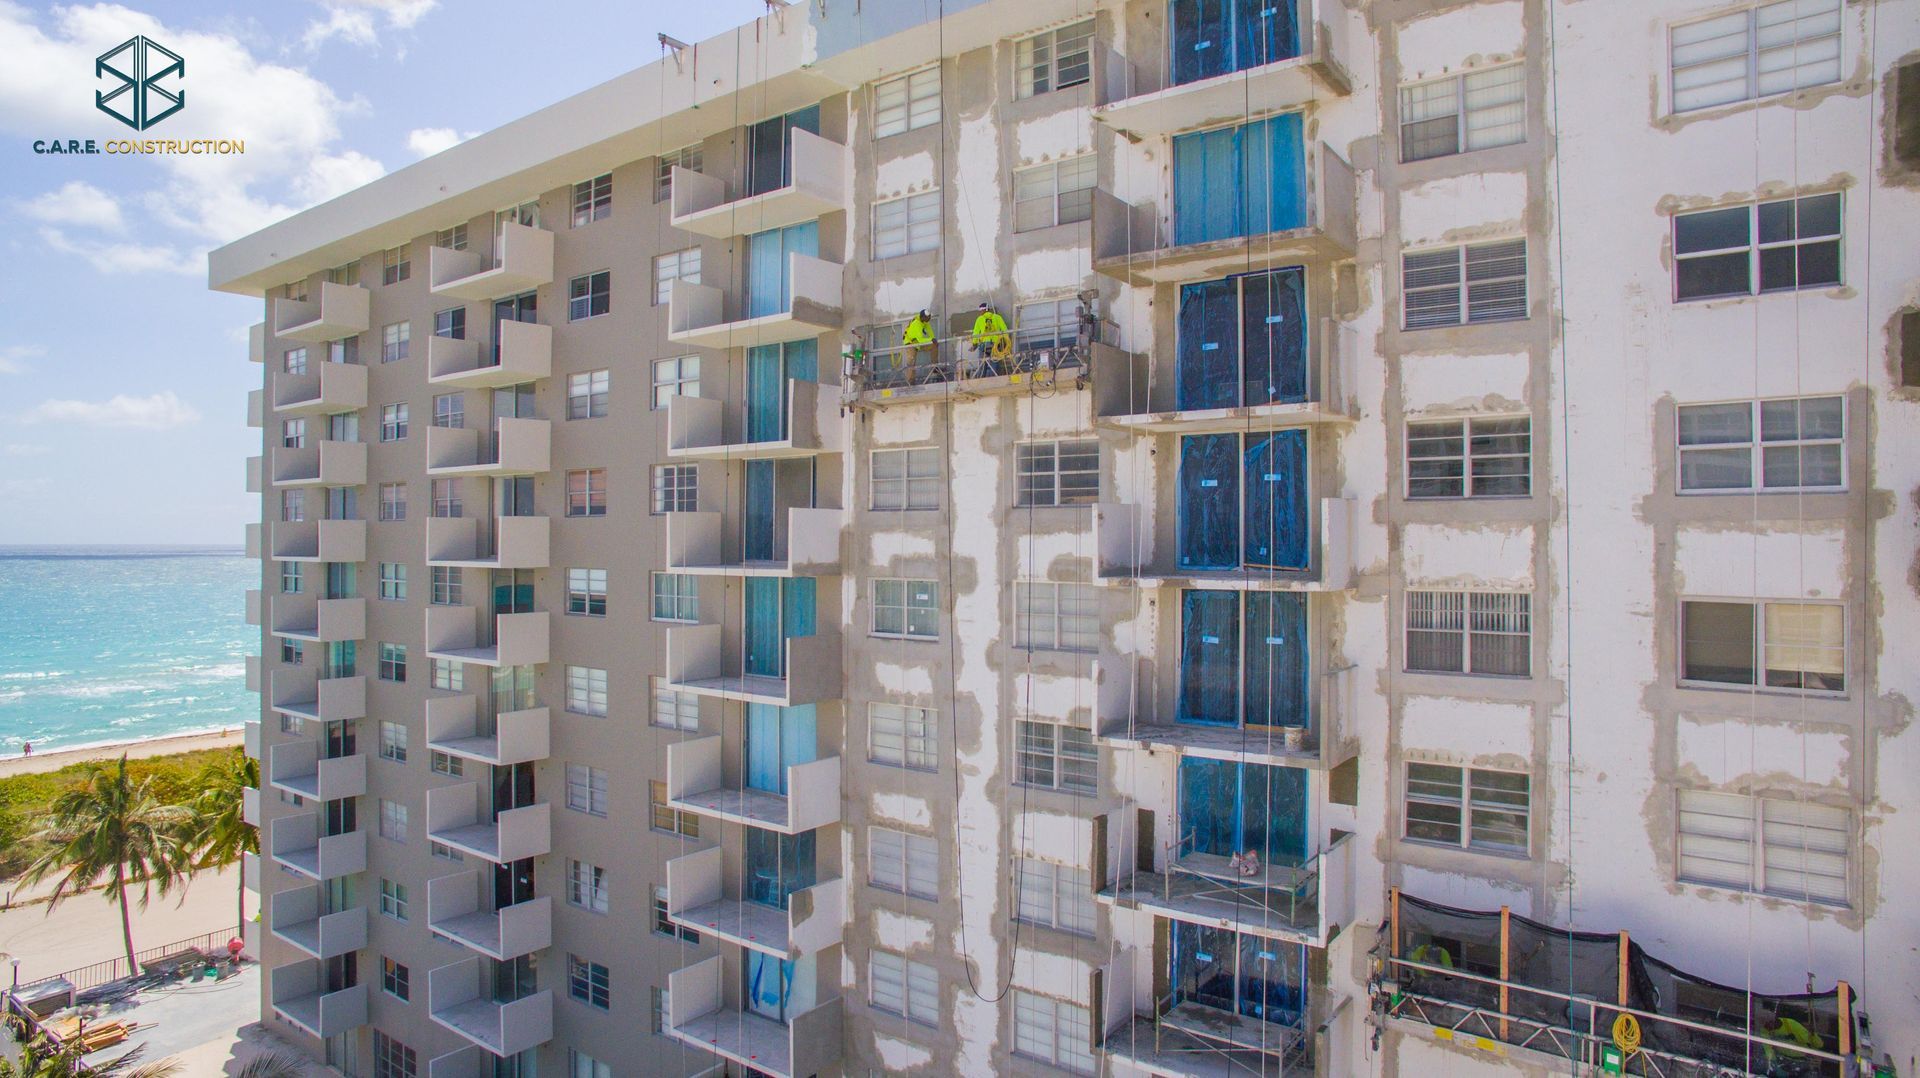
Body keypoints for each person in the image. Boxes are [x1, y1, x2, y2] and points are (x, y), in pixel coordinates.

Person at [969, 301, 1010, 374]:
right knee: (994, 363)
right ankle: (994, 379)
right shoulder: (997, 317)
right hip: (995, 344)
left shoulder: (979, 319)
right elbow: (1005, 330)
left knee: (982, 364)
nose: (980, 312)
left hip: (983, 345)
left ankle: (982, 380)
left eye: (981, 310)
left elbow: (975, 333)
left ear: (984, 310)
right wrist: (1006, 341)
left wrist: (974, 344)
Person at [902, 309, 936, 375]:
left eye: (930, 318)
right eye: (927, 318)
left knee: (934, 345)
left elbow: (929, 330)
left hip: (917, 343)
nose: (929, 320)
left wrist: (933, 338)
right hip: (910, 343)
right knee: (911, 363)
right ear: (923, 317)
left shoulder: (924, 321)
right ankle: (911, 382)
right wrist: (931, 339)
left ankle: (935, 367)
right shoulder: (916, 324)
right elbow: (920, 340)